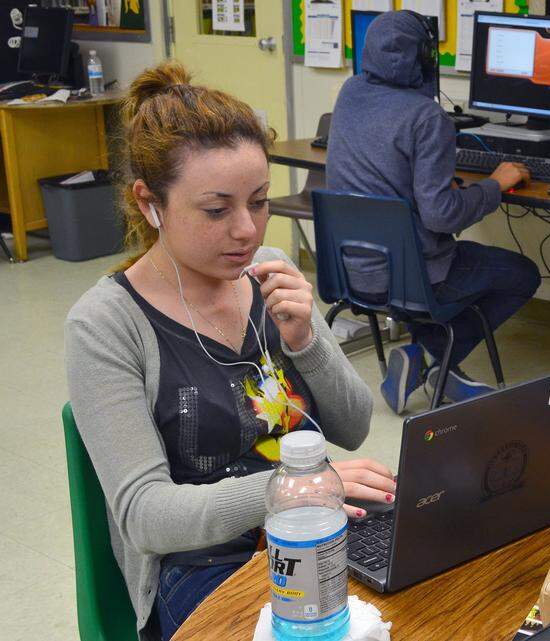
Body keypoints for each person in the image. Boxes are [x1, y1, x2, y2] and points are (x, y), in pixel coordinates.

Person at [64, 62, 394, 641]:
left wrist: (306, 342)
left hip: (316, 528)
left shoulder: (270, 273)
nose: (246, 229)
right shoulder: (106, 324)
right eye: (217, 210)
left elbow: (355, 425)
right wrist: (297, 490)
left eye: (259, 201)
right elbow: (146, 516)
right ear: (150, 203)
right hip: (202, 563)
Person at [327, 10, 540, 414]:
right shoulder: (427, 117)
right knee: (521, 274)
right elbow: (440, 215)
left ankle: (438, 367)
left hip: (352, 272)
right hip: (411, 277)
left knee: (443, 260)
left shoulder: (350, 93)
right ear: (426, 58)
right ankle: (428, 356)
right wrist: (495, 184)